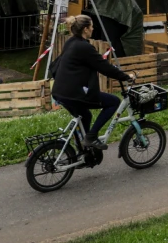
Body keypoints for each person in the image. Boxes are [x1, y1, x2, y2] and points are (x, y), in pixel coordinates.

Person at [51, 15, 137, 151]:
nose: (93, 28)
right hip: (73, 93)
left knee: (85, 115)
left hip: (59, 92)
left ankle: (83, 151)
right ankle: (91, 137)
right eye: (91, 26)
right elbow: (104, 67)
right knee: (113, 102)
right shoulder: (84, 47)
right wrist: (126, 77)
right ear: (85, 29)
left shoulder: (71, 42)